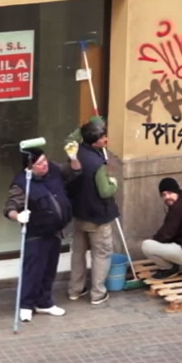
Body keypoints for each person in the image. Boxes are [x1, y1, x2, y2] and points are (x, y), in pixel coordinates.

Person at [3, 142, 81, 322]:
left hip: (55, 231)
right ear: (29, 167)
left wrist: (73, 158)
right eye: (39, 163)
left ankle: (44, 303)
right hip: (36, 232)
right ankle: (25, 305)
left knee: (48, 269)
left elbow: (74, 173)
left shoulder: (53, 169)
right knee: (33, 270)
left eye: (44, 160)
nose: (44, 165)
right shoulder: (22, 183)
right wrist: (18, 216)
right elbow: (10, 207)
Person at [66, 117, 119, 305]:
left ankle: (75, 289)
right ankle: (98, 293)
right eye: (103, 136)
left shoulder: (75, 152)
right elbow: (105, 191)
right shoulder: (98, 164)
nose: (106, 139)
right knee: (101, 253)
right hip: (97, 216)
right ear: (95, 140)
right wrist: (114, 182)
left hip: (78, 213)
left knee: (78, 253)